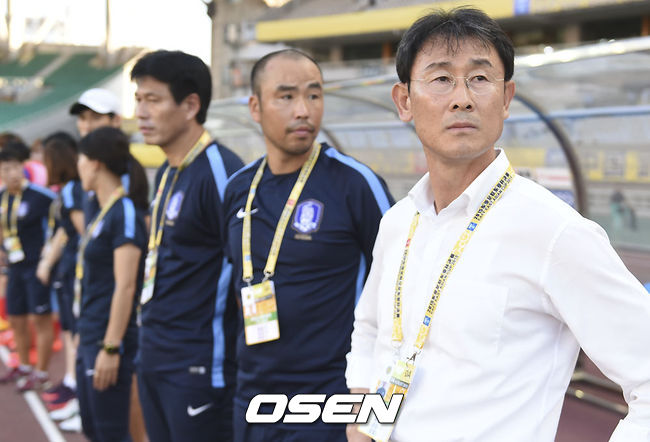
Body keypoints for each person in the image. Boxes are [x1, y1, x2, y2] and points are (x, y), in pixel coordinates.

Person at [345, 7, 650, 442]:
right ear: (404, 101)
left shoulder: (554, 232)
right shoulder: (398, 222)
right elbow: (370, 328)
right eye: (441, 78)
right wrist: (360, 416)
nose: (462, 98)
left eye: (480, 78)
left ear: (506, 99)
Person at [223, 49, 394, 442]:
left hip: (327, 402)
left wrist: (372, 409)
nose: (303, 110)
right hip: (252, 397)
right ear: (255, 107)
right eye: (286, 96)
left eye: (314, 95)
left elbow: (401, 289)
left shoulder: (355, 184)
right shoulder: (237, 189)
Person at [132, 50, 244, 442]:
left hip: (198, 365)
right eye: (138, 99)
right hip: (154, 352)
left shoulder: (223, 173)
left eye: (153, 100)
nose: (140, 112)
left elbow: (248, 272)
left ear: (191, 105)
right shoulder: (166, 170)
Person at [74, 127, 148, 441]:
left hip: (108, 338)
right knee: (92, 427)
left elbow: (126, 286)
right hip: (91, 332)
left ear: (95, 163)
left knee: (111, 432)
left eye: (80, 158)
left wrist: (110, 346)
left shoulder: (124, 212)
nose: (77, 166)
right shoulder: (101, 210)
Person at [36, 132, 85, 428]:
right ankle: (72, 384)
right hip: (68, 270)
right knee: (69, 329)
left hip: (77, 272)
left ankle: (80, 396)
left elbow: (83, 233)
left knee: (77, 333)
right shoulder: (66, 190)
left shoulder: (73, 190)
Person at [0, 140, 56, 391]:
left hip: (37, 268)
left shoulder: (41, 196)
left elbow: (60, 226)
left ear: (23, 167)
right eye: (5, 169)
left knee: (40, 319)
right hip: (15, 267)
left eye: (14, 167)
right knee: (16, 318)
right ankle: (23, 365)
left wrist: (49, 255)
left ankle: (41, 373)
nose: (11, 173)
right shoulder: (2, 198)